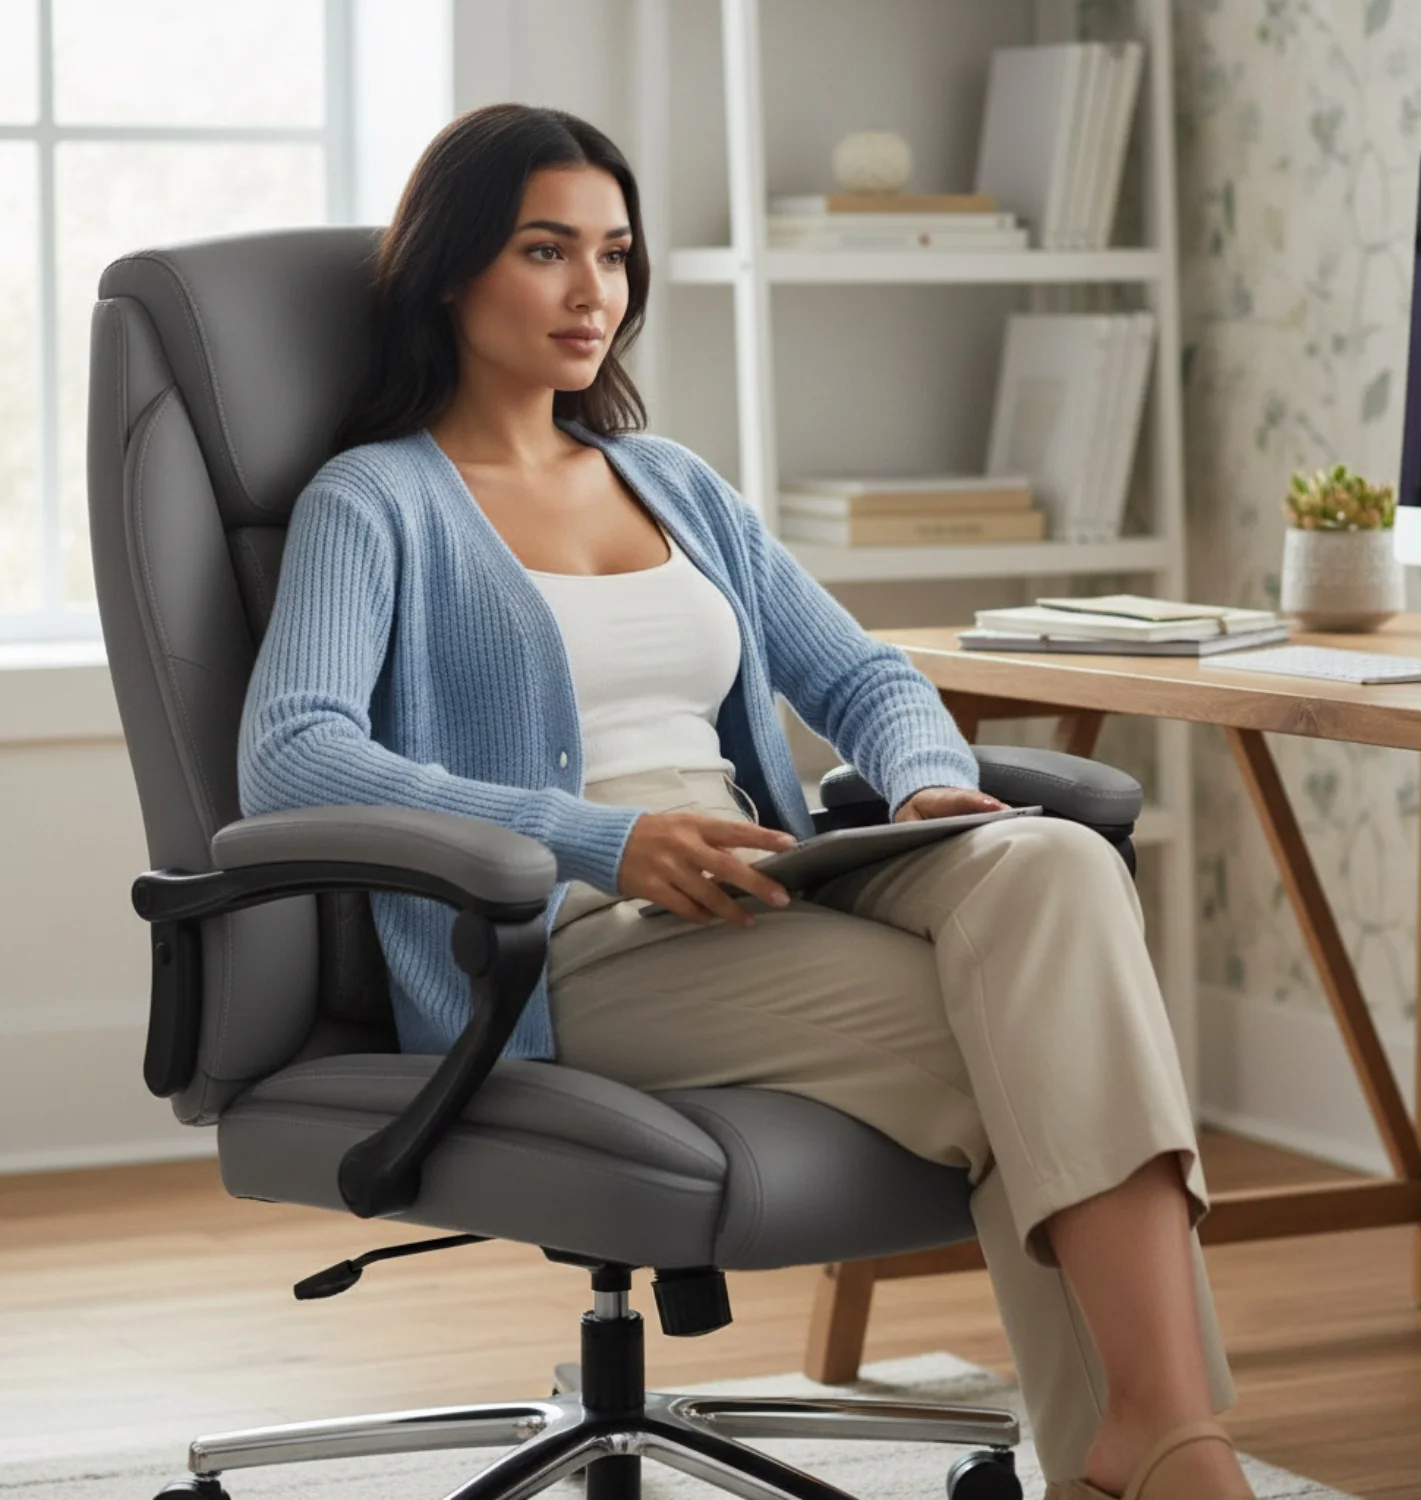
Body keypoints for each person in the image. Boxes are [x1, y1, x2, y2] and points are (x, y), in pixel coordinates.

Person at [238, 102, 1255, 1500]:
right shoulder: (377, 501)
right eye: (547, 251)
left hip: (764, 882)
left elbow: (863, 670)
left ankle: (1145, 1441)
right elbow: (294, 755)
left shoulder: (672, 483)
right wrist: (607, 838)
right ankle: (1158, 1450)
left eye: (614, 252)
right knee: (1044, 1048)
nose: (595, 290)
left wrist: (932, 781)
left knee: (1055, 866)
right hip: (556, 939)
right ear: (452, 270)